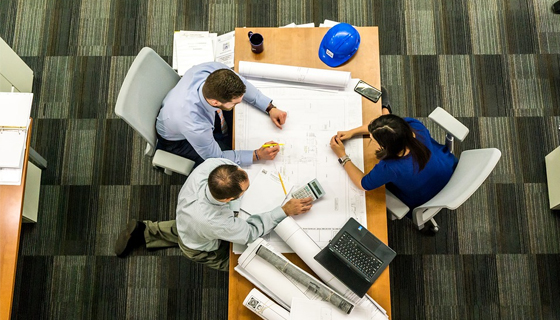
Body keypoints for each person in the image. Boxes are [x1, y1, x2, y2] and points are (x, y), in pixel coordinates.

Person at [114, 158, 313, 271]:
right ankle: (241, 268)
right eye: (244, 191)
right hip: (198, 244)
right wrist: (284, 210)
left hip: (187, 218)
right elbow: (250, 232)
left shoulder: (212, 167)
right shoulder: (217, 222)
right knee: (238, 263)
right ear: (228, 200)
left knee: (184, 228)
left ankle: (145, 231)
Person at [329, 92, 458, 226]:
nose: (371, 140)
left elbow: (363, 184)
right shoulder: (414, 126)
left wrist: (342, 155)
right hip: (448, 169)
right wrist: (352, 132)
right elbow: (386, 128)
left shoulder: (390, 167)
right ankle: (386, 108)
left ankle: (385, 108)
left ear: (386, 147)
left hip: (425, 197)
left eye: (373, 139)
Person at [156, 61, 288, 167]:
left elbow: (243, 84)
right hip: (178, 141)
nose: (239, 103)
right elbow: (216, 157)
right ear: (215, 102)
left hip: (182, 111)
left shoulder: (213, 71)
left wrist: (269, 107)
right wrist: (257, 155)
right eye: (235, 103)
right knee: (226, 164)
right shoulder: (194, 125)